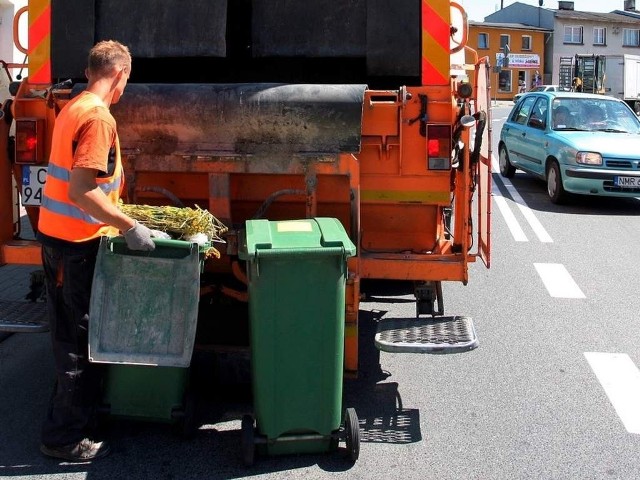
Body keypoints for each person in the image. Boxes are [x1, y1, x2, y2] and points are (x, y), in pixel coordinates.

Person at [37, 40, 164, 462]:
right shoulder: (97, 118)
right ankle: (63, 438)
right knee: (76, 342)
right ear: (121, 76)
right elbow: (81, 190)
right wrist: (129, 227)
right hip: (73, 247)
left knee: (70, 336)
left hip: (61, 240)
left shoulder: (73, 105)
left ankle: (77, 421)